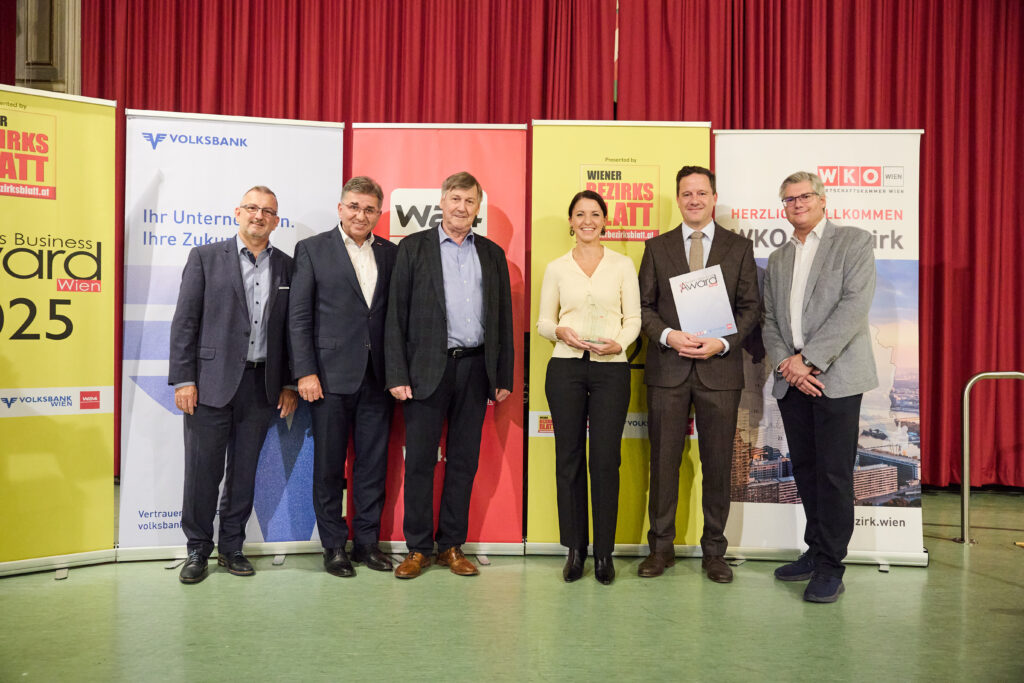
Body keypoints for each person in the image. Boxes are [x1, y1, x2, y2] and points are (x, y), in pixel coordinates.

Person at [384, 171, 514, 579]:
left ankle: (452, 546)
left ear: (479, 207)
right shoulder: (413, 248)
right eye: (455, 198)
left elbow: (503, 320)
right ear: (442, 201)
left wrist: (502, 373)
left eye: (470, 201)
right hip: (424, 370)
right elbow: (395, 316)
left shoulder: (492, 254)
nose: (461, 207)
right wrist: (396, 373)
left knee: (463, 462)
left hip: (475, 371)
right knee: (420, 462)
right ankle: (418, 549)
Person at [168, 185, 297, 584]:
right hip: (209, 384)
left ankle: (232, 547)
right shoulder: (206, 258)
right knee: (203, 471)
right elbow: (185, 321)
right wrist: (185, 378)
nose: (260, 216)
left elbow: (294, 330)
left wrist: (290, 383)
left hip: (262, 387)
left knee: (244, 474)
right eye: (253, 209)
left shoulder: (289, 267)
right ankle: (196, 549)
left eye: (268, 212)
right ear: (237, 213)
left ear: (277, 221)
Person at [637, 165, 760, 583]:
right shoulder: (657, 248)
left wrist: (722, 342)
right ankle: (661, 549)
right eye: (686, 193)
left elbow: (751, 310)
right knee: (664, 462)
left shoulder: (738, 248)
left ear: (713, 198)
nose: (694, 200)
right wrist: (670, 336)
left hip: (720, 371)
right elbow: (644, 308)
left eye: (701, 193)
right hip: (668, 370)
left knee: (718, 464)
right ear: (678, 199)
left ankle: (715, 553)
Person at [762, 171, 877, 603]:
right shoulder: (777, 259)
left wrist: (808, 361)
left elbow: (853, 308)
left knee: (833, 474)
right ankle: (815, 551)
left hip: (837, 377)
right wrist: (788, 365)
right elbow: (771, 320)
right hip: (792, 380)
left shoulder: (853, 242)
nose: (797, 204)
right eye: (789, 199)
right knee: (806, 470)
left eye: (804, 196)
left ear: (822, 200)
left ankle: (831, 566)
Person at [289, 176, 398, 578]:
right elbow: (298, 318)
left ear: (378, 214)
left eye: (369, 209)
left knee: (372, 466)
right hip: (328, 380)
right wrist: (305, 372)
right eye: (354, 206)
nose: (361, 215)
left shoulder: (391, 253)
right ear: (340, 208)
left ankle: (367, 543)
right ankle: (334, 546)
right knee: (330, 468)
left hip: (378, 379)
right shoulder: (312, 250)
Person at [536, 190, 640, 585]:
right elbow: (545, 322)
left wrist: (622, 343)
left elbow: (633, 317)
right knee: (569, 459)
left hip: (611, 368)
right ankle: (576, 550)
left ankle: (603, 553)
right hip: (565, 368)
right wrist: (559, 330)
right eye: (579, 214)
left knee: (605, 460)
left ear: (605, 220)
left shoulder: (622, 265)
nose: (587, 221)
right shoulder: (557, 267)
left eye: (594, 214)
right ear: (570, 221)